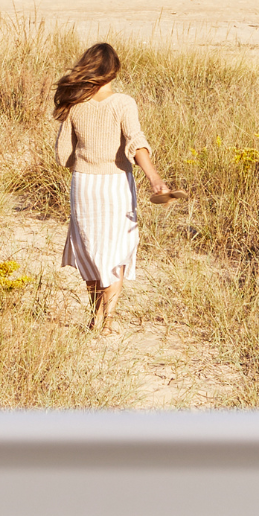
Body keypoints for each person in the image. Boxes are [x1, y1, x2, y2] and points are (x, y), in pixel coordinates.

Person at [52, 41, 176, 332]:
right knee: (116, 250)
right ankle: (106, 322)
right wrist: (154, 178)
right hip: (115, 185)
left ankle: (95, 315)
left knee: (91, 250)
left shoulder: (74, 106)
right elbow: (136, 141)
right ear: (113, 71)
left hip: (83, 186)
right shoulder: (123, 103)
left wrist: (84, 159)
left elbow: (62, 155)